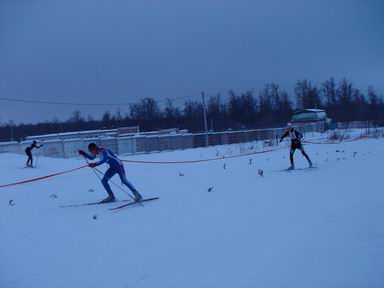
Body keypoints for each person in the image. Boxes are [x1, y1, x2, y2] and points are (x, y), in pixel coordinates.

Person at [79, 143, 143, 203]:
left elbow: (104, 159)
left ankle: (137, 194)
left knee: (124, 180)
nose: (91, 152)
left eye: (91, 150)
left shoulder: (103, 150)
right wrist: (83, 153)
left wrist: (95, 164)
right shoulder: (97, 153)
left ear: (94, 148)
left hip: (118, 165)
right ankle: (111, 196)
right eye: (90, 151)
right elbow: (91, 158)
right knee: (104, 181)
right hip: (112, 168)